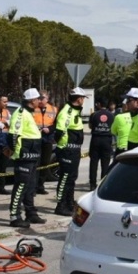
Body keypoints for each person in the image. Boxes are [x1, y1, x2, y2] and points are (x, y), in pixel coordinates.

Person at [8, 88, 47, 228]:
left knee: (30, 187)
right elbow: (13, 135)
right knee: (21, 186)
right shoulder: (20, 113)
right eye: (37, 99)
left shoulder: (29, 113)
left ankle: (31, 213)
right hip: (24, 156)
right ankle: (14, 216)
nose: (39, 101)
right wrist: (16, 153)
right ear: (31, 101)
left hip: (33, 156)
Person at [53, 87, 87, 216]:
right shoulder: (67, 112)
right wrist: (64, 147)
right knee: (65, 178)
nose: (83, 100)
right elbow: (60, 131)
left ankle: (69, 203)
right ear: (79, 99)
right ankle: (60, 205)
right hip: (67, 150)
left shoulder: (75, 111)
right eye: (83, 98)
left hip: (74, 150)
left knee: (72, 178)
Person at [32, 90, 57, 195]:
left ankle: (40, 186)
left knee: (45, 163)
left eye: (44, 98)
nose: (42, 100)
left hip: (48, 138)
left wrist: (49, 129)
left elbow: (56, 123)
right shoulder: (33, 109)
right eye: (40, 98)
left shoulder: (54, 109)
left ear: (48, 98)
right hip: (36, 137)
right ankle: (33, 187)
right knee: (35, 163)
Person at [88, 99, 113, 191]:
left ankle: (92, 184)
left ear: (99, 104)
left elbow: (90, 126)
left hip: (96, 139)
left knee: (93, 163)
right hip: (107, 140)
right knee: (105, 163)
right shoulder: (111, 115)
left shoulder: (94, 114)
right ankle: (103, 184)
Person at [109, 98, 132, 170]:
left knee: (113, 170)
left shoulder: (119, 117)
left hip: (122, 148)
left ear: (125, 106)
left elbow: (113, 131)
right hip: (133, 147)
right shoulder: (135, 117)